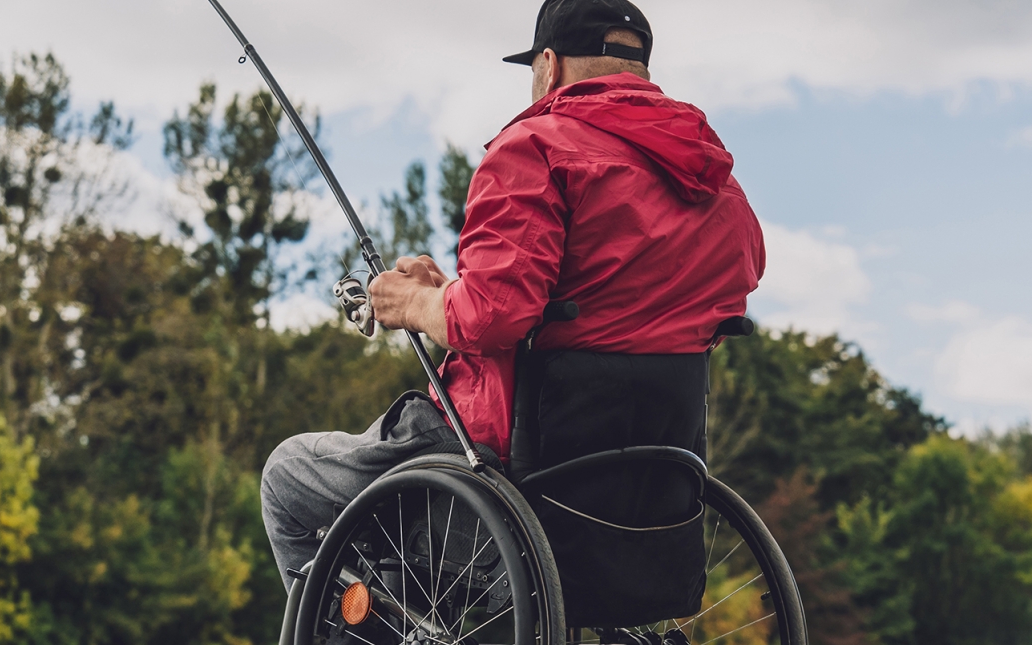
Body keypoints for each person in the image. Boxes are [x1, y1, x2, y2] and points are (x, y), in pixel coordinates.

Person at [259, 0, 765, 587]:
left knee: (288, 475)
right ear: (639, 71)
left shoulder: (537, 147)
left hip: (504, 464)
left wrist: (413, 305)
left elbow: (495, 317)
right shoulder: (717, 183)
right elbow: (613, 310)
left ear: (548, 65)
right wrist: (452, 292)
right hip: (645, 486)